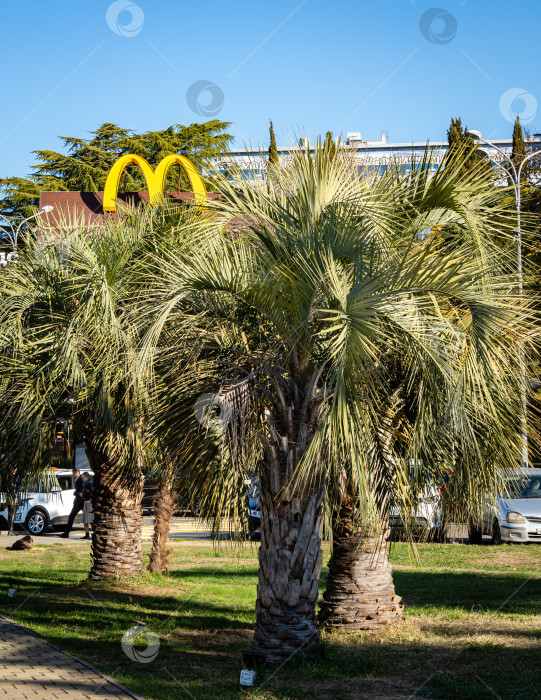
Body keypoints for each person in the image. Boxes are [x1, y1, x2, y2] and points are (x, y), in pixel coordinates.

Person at [60, 467, 84, 538]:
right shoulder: (78, 479)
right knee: (71, 517)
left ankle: (66, 533)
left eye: (73, 473)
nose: (73, 475)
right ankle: (66, 533)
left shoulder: (81, 480)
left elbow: (81, 491)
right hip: (78, 502)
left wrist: (76, 493)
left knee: (88, 517)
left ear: (77, 473)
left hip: (80, 502)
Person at [81, 471, 94, 540]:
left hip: (89, 501)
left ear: (87, 477)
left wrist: (84, 494)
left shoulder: (90, 483)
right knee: (85, 519)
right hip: (85, 501)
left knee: (90, 519)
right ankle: (87, 534)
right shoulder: (85, 483)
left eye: (83, 477)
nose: (82, 479)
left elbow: (92, 492)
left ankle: (93, 533)